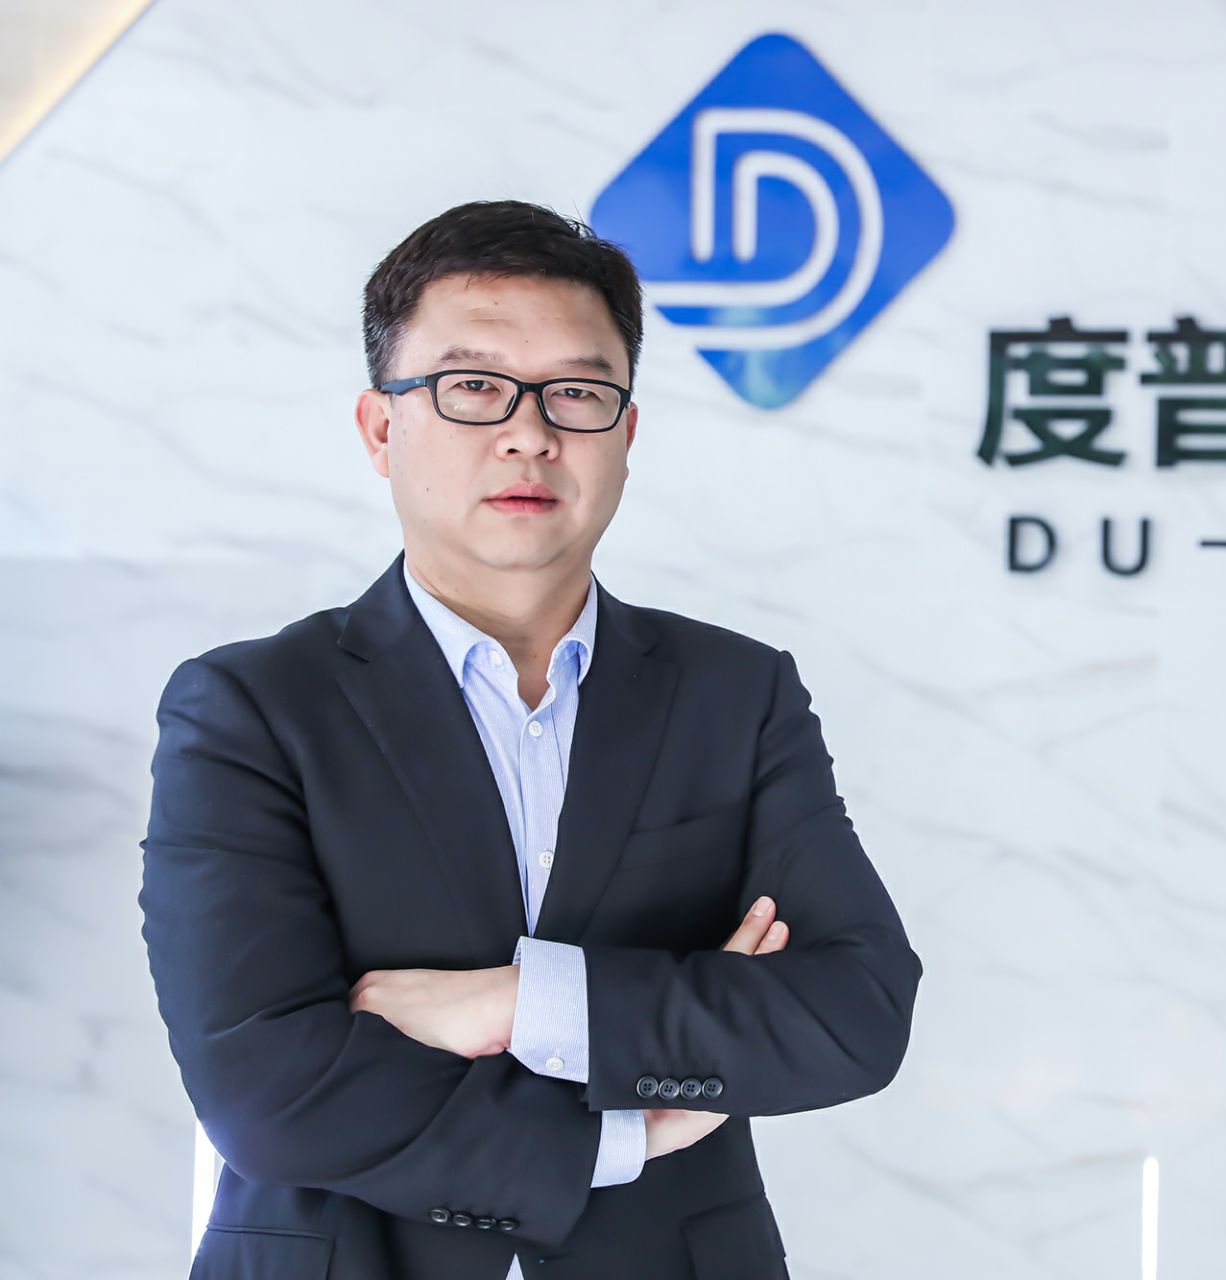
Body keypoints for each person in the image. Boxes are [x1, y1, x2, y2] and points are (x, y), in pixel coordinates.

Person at [137, 199, 923, 1279]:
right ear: (380, 428)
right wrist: (625, 1130)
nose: (529, 433)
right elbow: (265, 1086)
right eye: (472, 386)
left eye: (577, 393)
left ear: (627, 435)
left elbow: (854, 1013)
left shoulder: (735, 694)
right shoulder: (251, 708)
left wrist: (516, 1002)